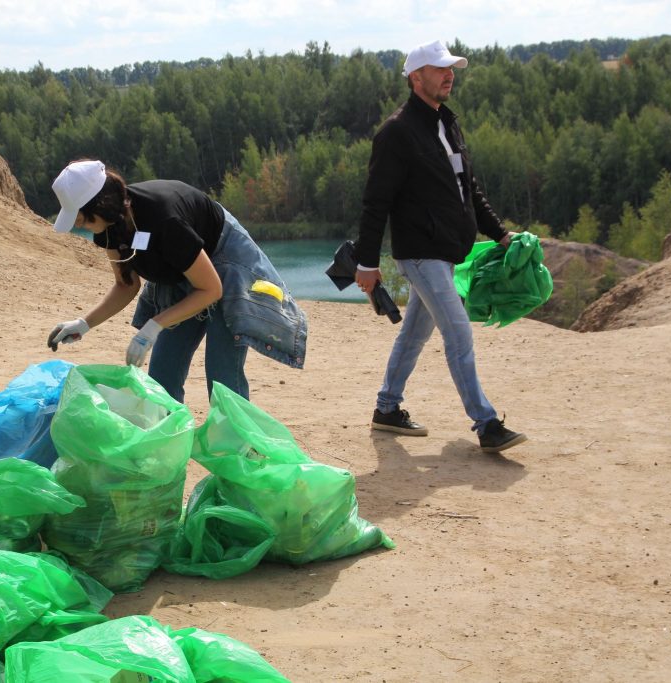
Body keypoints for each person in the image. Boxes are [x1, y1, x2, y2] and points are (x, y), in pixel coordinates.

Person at [353, 40, 527, 453]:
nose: (449, 74)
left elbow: (470, 191)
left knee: (413, 334)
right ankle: (486, 425)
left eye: (451, 68)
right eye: (439, 69)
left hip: (447, 252)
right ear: (417, 78)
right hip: (419, 252)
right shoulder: (396, 132)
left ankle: (387, 409)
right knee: (458, 331)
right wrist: (365, 262)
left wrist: (501, 234)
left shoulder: (447, 123)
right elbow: (376, 202)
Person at [46, 159, 306, 403]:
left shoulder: (165, 219)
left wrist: (153, 326)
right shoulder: (109, 228)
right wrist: (84, 324)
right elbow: (126, 284)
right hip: (180, 269)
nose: (81, 225)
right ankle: (168, 440)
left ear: (101, 205)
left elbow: (211, 288)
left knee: (222, 373)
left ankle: (240, 447)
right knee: (163, 374)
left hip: (221, 261)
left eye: (82, 218)